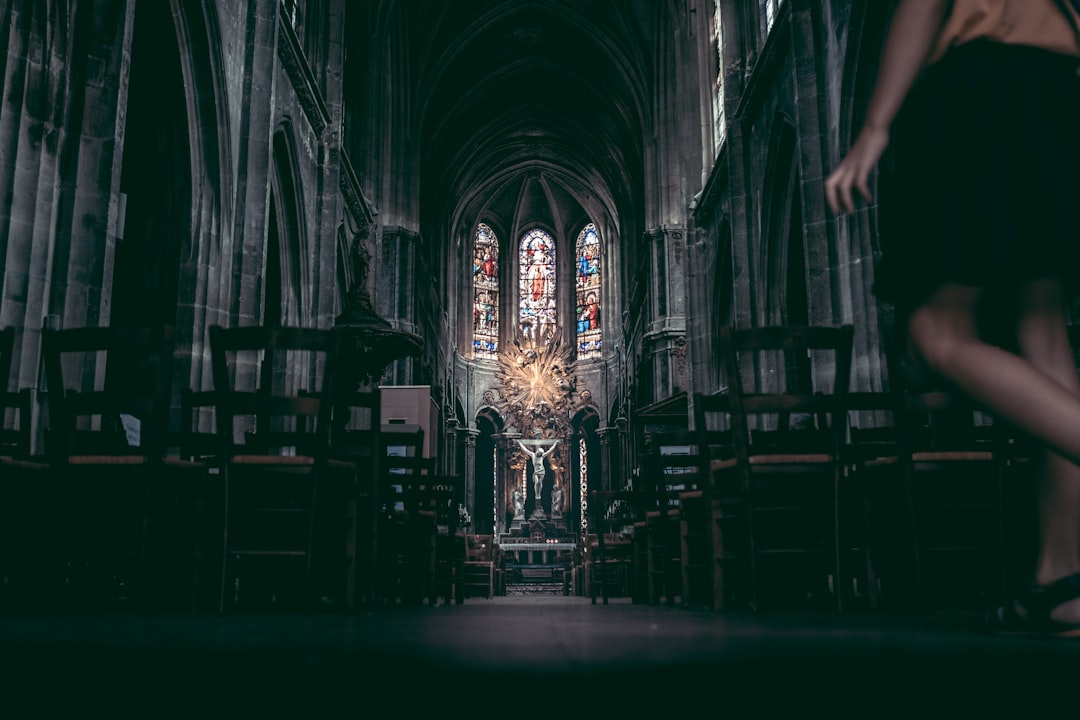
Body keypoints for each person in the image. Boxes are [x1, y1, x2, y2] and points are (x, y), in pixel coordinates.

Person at [825, 0, 1080, 635]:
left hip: (980, 79)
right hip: (1056, 77)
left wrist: (877, 124)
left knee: (936, 334)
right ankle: (1063, 578)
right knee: (1041, 329)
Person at [517, 439, 559, 507]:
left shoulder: (542, 457)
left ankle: (539, 494)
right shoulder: (533, 455)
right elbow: (525, 450)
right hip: (536, 472)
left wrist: (555, 444)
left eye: (540, 454)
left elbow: (550, 450)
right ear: (537, 452)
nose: (539, 454)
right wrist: (519, 443)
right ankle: (537, 494)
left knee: (540, 483)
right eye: (539, 453)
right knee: (536, 483)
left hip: (542, 471)